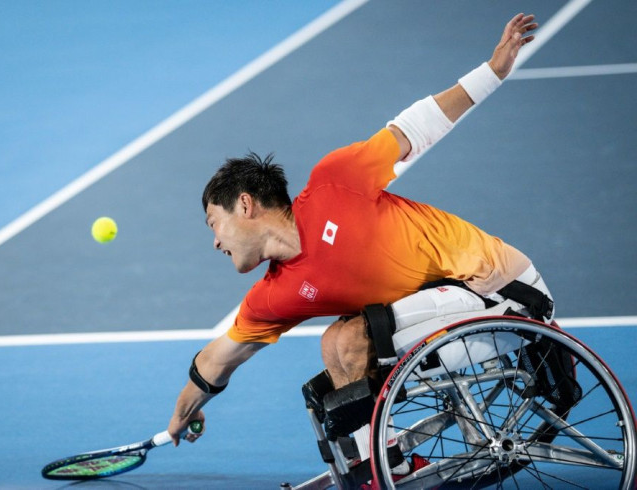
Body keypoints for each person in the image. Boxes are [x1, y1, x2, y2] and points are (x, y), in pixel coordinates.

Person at [167, 13, 547, 468]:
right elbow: (220, 357)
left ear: (245, 205)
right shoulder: (276, 294)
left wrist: (493, 72)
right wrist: (181, 414)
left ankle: (387, 468)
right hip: (446, 311)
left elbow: (417, 127)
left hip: (500, 290)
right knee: (338, 345)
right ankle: (386, 466)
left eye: (214, 224)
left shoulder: (334, 181)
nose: (214, 243)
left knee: (346, 343)